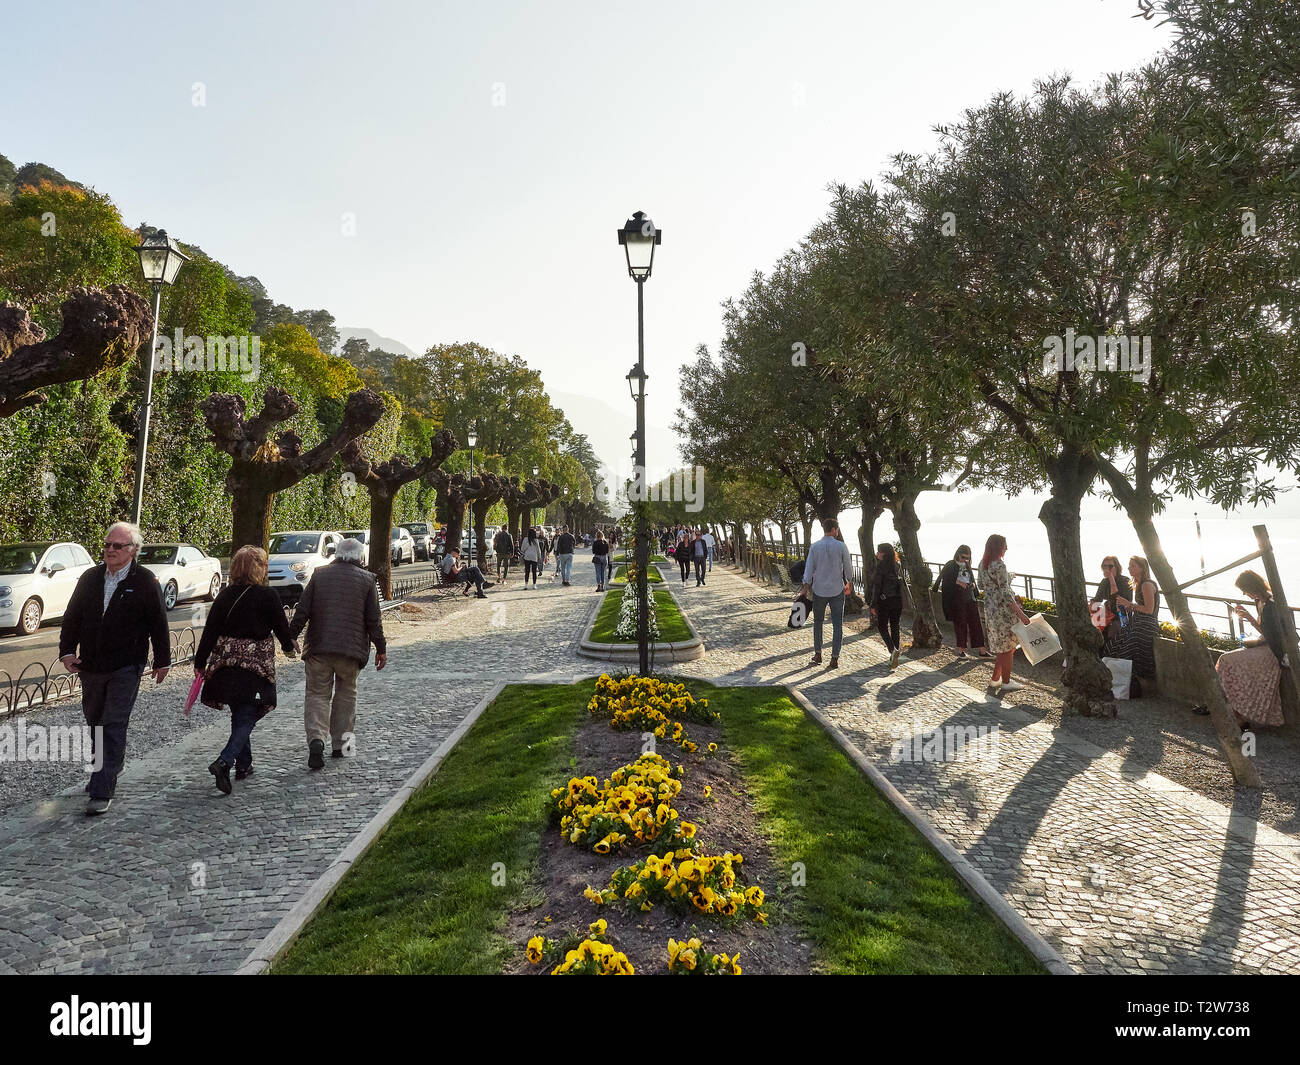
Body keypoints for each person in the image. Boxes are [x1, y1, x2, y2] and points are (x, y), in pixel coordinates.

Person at [58, 521, 171, 815]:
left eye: (117, 546)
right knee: (94, 721)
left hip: (126, 665)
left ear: (132, 550)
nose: (110, 550)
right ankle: (105, 770)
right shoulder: (90, 578)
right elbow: (72, 617)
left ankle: (101, 788)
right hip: (91, 664)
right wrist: (67, 652)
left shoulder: (145, 581)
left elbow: (159, 623)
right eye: (107, 545)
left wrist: (162, 660)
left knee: (113, 723)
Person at [194, 545, 298, 794]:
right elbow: (281, 628)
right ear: (259, 568)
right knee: (248, 714)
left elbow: (210, 631)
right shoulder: (268, 596)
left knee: (240, 712)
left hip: (224, 666)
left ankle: (244, 764)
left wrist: (200, 662)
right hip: (255, 667)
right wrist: (289, 647)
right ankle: (224, 761)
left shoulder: (225, 596)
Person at [287, 538, 387, 769]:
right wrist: (380, 648)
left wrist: (292, 636)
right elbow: (374, 620)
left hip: (319, 647)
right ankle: (342, 746)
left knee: (317, 695)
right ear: (360, 557)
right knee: (346, 695)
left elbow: (303, 608)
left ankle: (316, 740)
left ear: (337, 554)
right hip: (350, 650)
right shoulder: (367, 579)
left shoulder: (320, 574)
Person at [1218, 570, 1290, 733]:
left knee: (1226, 661)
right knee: (1225, 661)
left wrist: (1249, 619)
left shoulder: (1272, 604)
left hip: (1274, 652)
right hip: (1265, 646)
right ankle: (1236, 714)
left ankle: (1237, 714)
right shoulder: (1260, 602)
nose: (1245, 594)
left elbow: (1273, 636)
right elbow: (1266, 632)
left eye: (1245, 590)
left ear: (1252, 587)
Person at [979, 534, 1030, 696]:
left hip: (990, 609)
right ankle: (1006, 681)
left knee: (1004, 648)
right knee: (1008, 648)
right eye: (1004, 545)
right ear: (998, 547)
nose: (1006, 548)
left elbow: (981, 584)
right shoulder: (999, 565)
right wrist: (1021, 614)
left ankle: (995, 679)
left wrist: (1005, 580)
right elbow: (1006, 594)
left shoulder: (983, 564)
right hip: (1003, 612)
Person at [801, 518, 854, 669]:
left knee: (818, 622)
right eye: (837, 530)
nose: (837, 532)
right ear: (834, 529)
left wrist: (806, 587)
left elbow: (809, 568)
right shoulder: (841, 546)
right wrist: (849, 582)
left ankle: (818, 653)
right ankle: (834, 657)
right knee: (838, 624)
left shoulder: (815, 547)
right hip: (837, 589)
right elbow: (848, 568)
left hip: (819, 589)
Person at [932, 545, 991, 659]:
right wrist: (959, 583)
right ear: (958, 555)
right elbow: (946, 580)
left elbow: (972, 579)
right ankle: (960, 650)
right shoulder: (951, 564)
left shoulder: (967, 565)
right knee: (961, 624)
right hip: (957, 599)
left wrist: (973, 586)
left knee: (976, 623)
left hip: (969, 597)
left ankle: (982, 650)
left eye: (968, 558)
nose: (965, 560)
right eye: (963, 557)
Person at [1112, 555, 1160, 691]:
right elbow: (1139, 608)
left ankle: (1130, 684)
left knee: (1128, 646)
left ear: (1142, 568)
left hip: (1147, 624)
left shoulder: (1146, 585)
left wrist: (1130, 604)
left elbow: (1149, 610)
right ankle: (1118, 681)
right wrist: (1124, 607)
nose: (1129, 568)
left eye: (1133, 565)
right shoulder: (1138, 585)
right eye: (1129, 565)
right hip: (1137, 621)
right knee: (1115, 642)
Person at [868, 543, 906, 670]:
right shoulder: (898, 565)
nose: (877, 554)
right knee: (895, 626)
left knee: (882, 626)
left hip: (884, 601)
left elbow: (877, 587)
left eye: (879, 552)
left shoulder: (880, 567)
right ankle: (894, 654)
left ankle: (892, 650)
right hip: (898, 600)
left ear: (883, 554)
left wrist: (873, 604)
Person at [1090, 556, 1132, 655]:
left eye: (1110, 566)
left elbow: (1119, 601)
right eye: (1104, 566)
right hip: (1108, 614)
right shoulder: (1104, 582)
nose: (1107, 569)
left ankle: (1108, 657)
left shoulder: (1125, 581)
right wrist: (1091, 606)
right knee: (1093, 630)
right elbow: (1097, 600)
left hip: (1121, 615)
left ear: (1117, 567)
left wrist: (1112, 579)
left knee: (1112, 631)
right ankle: (1097, 657)